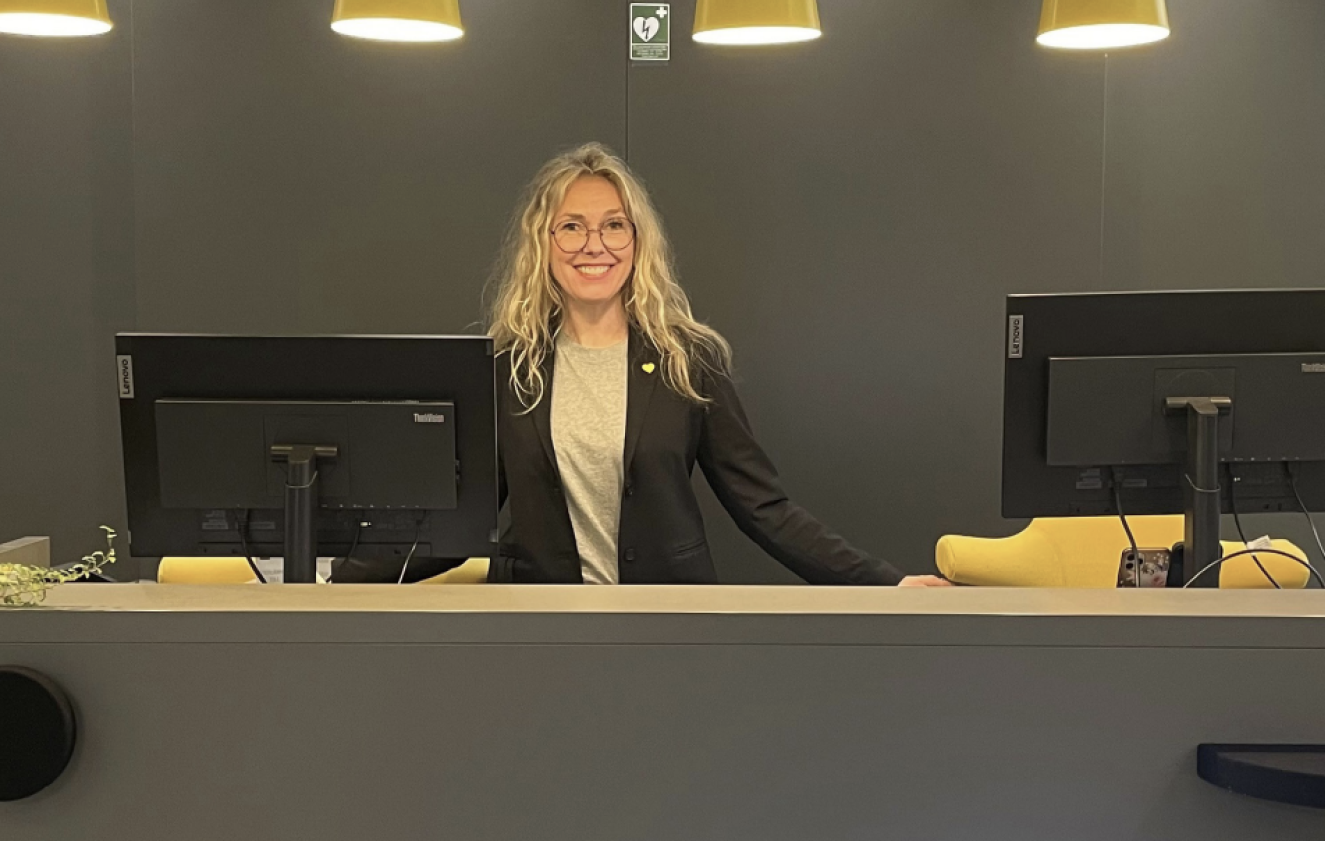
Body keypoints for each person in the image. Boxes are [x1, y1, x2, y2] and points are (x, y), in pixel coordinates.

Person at [336, 143, 947, 586]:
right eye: (570, 227)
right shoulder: (509, 366)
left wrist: (885, 582)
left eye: (613, 226)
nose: (592, 245)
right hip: (538, 631)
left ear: (637, 242)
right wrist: (334, 577)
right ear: (543, 244)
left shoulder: (688, 359)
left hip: (669, 627)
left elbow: (765, 510)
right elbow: (459, 525)